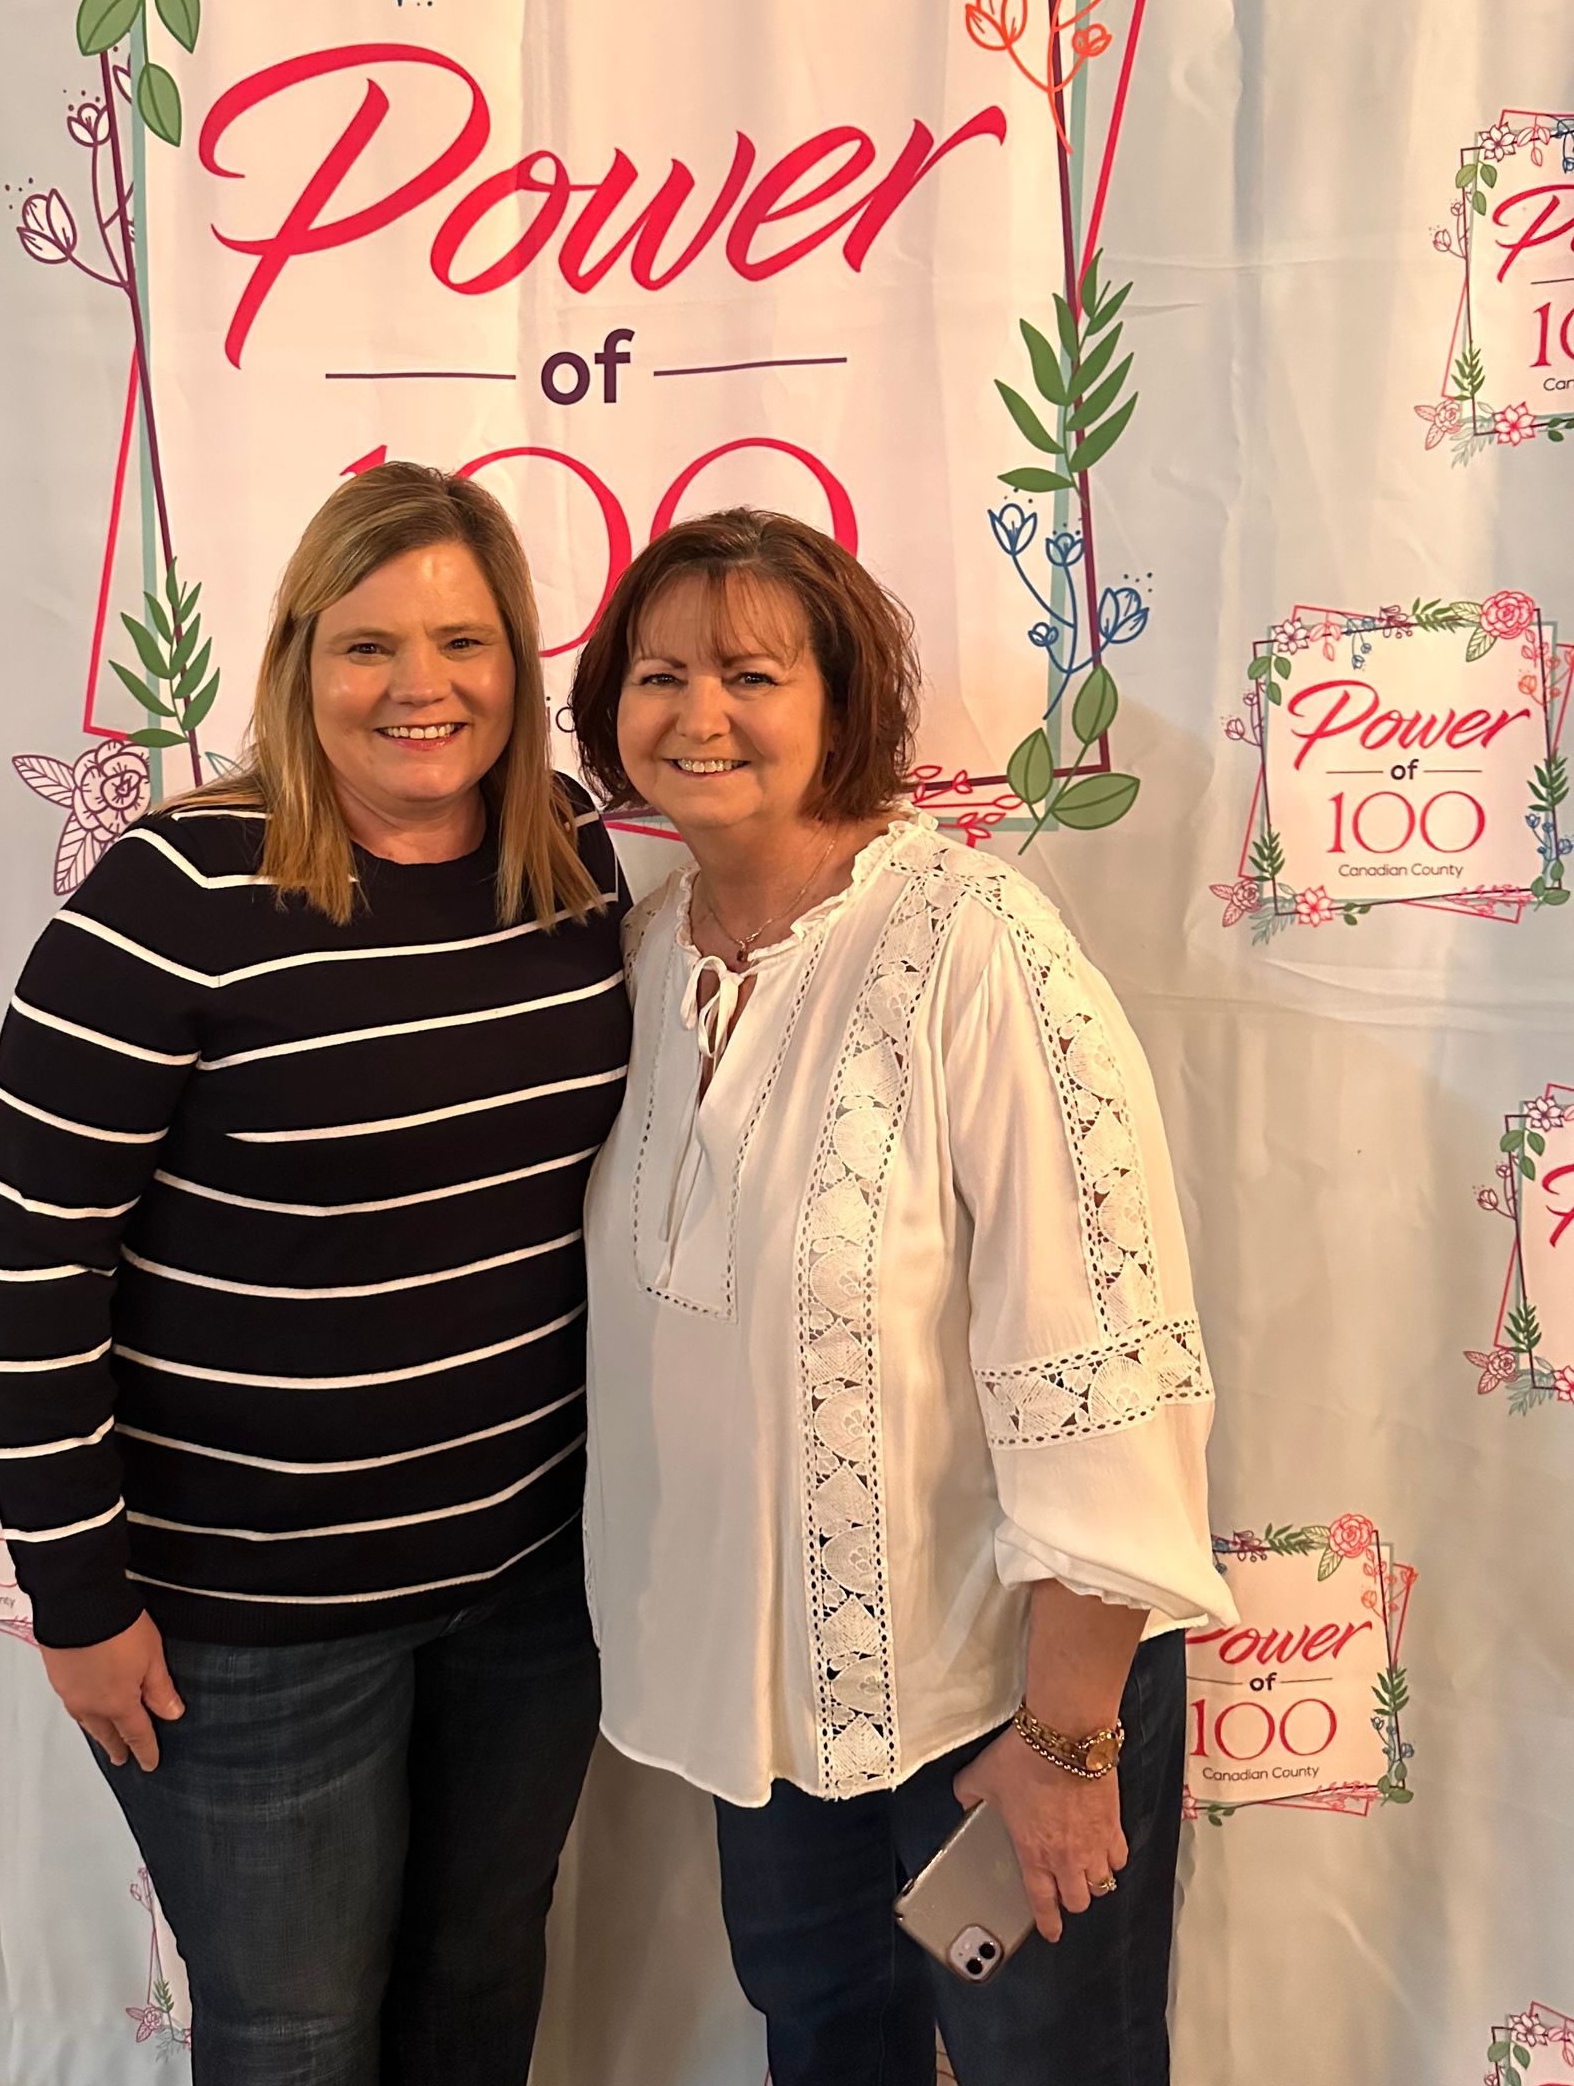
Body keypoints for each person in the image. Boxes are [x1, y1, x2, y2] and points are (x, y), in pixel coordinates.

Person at [0, 463, 630, 2086]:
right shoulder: (170, 901)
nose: (424, 688)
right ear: (296, 662)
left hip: (528, 1578)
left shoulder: (570, 860)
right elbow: (35, 1265)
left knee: (481, 1974)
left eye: (467, 642)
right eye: (369, 646)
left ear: (520, 659)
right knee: (298, 2032)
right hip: (248, 1619)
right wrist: (78, 1588)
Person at [568, 508, 1234, 2086]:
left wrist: (1066, 1742)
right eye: (660, 675)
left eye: (750, 671)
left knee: (1045, 2073)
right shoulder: (643, 962)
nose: (698, 714)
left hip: (997, 1704)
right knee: (827, 2047)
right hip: (773, 1721)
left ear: (841, 698)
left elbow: (1101, 1355)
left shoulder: (971, 943)